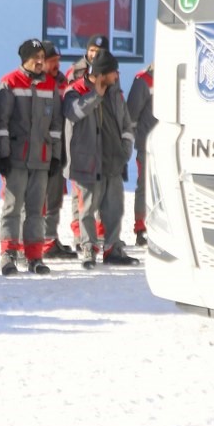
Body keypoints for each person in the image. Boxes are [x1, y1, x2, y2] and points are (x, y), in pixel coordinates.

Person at [0, 38, 63, 276]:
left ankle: (34, 256)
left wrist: (55, 156)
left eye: (42, 57)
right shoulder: (10, 82)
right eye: (36, 58)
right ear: (25, 59)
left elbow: (56, 125)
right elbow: (1, 123)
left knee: (36, 210)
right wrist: (3, 154)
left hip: (41, 159)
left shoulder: (50, 85)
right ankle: (9, 254)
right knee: (12, 208)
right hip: (16, 158)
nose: (40, 62)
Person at [63, 48, 138, 268]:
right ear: (102, 73)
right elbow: (73, 113)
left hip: (113, 161)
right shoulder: (75, 90)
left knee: (114, 209)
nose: (117, 76)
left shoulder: (115, 92)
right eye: (114, 72)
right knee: (87, 209)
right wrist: (95, 95)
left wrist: (125, 149)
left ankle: (113, 249)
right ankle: (89, 249)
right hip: (86, 162)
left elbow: (126, 123)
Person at [39, 40, 76, 260]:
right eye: (52, 61)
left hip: (60, 149)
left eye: (58, 60)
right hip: (40, 150)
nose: (56, 65)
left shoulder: (63, 82)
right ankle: (30, 243)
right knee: (37, 200)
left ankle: (50, 240)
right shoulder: (36, 82)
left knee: (55, 199)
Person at [126, 63, 156, 247]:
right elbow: (131, 114)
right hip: (147, 145)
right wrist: (132, 139)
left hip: (169, 144)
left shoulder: (175, 77)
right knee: (145, 187)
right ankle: (141, 228)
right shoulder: (143, 80)